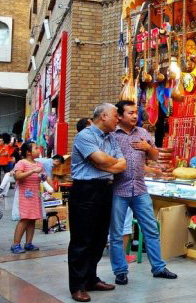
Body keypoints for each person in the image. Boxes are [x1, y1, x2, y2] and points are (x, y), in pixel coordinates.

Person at [109, 100, 177, 285]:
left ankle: (159, 267)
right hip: (118, 189)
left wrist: (148, 148)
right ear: (119, 116)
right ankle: (120, 271)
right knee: (116, 233)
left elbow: (155, 156)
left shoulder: (143, 133)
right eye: (130, 113)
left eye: (135, 112)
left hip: (140, 189)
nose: (134, 116)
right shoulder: (112, 135)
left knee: (151, 229)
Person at [67, 103, 127, 303]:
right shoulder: (85, 136)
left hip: (105, 190)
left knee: (99, 238)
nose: (118, 119)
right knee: (82, 240)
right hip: (85, 191)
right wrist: (106, 163)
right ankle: (77, 286)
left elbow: (122, 164)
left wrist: (104, 165)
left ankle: (90, 279)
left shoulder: (111, 138)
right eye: (116, 115)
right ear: (103, 116)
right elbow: (100, 159)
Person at [10, 142, 45, 253]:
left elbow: (43, 177)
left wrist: (43, 177)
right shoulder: (21, 163)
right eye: (36, 148)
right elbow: (17, 176)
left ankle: (28, 243)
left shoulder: (39, 164)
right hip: (24, 196)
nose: (39, 150)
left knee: (32, 219)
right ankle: (15, 244)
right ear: (28, 152)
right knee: (24, 219)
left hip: (35, 195)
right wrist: (32, 171)